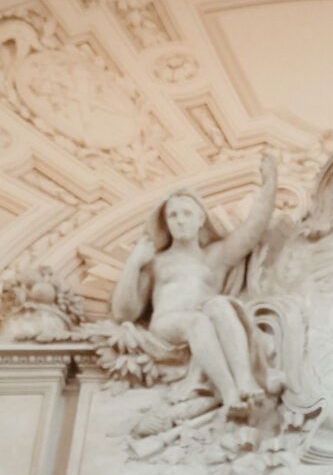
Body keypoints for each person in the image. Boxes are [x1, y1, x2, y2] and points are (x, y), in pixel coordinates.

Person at [110, 156, 279, 417]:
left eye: (187, 214)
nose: (179, 220)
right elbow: (124, 313)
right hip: (168, 324)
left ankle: (244, 381)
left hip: (204, 314)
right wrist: (133, 263)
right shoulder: (158, 261)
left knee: (220, 304)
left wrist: (271, 183)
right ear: (166, 222)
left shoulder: (214, 256)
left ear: (201, 220)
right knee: (197, 321)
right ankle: (229, 392)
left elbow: (252, 230)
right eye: (173, 215)